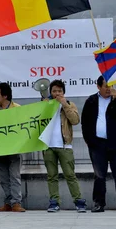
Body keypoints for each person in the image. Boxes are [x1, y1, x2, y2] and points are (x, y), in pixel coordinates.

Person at [43, 80, 86, 213]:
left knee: (70, 175)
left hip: (65, 145)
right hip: (48, 145)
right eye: (54, 91)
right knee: (51, 176)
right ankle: (54, 202)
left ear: (64, 92)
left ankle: (79, 202)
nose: (57, 93)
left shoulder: (69, 104)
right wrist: (44, 106)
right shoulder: (45, 104)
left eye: (59, 91)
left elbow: (75, 120)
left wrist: (64, 105)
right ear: (50, 92)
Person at [82, 75, 116, 213]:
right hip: (97, 144)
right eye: (106, 86)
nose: (109, 89)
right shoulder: (91, 101)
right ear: (98, 87)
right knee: (99, 175)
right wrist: (90, 141)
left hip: (115, 143)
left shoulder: (115, 99)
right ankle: (98, 203)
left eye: (111, 86)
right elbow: (85, 122)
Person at [0, 82, 26, 212]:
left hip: (14, 148)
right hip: (0, 148)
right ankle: (7, 202)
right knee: (3, 177)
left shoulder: (17, 109)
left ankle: (16, 202)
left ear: (5, 95)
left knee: (14, 175)